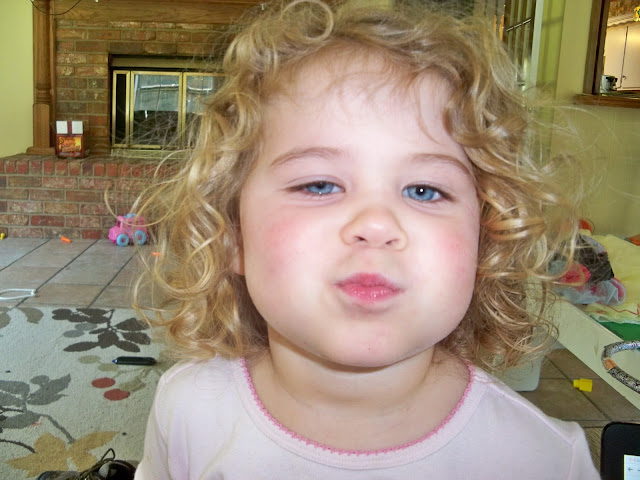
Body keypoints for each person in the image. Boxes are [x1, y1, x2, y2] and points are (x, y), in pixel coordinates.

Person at [132, 0, 599, 478]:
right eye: (319, 185)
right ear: (232, 236)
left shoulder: (544, 460)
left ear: (486, 242)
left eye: (424, 190)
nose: (377, 224)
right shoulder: (186, 410)